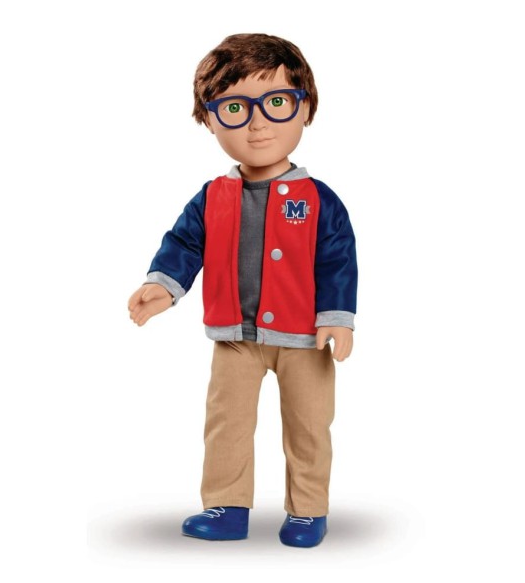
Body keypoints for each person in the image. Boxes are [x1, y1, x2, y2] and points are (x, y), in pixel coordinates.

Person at [128, 33, 358, 548]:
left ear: (305, 109)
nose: (257, 124)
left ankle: (308, 510)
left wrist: (337, 317)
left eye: (277, 103)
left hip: (305, 338)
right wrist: (163, 285)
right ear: (209, 119)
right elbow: (185, 244)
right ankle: (226, 505)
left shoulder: (318, 200)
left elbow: (338, 259)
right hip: (234, 337)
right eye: (234, 108)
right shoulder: (213, 196)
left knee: (309, 425)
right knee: (226, 423)